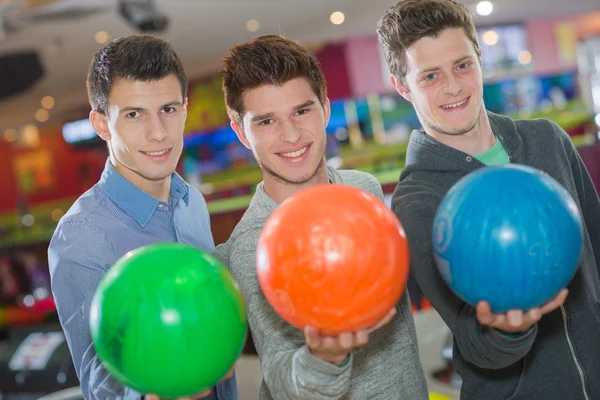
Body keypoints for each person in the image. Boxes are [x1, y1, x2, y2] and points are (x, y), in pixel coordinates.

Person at [377, 1, 600, 399]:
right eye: (430, 76)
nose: (453, 87)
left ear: (480, 57)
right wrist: (506, 329)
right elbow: (474, 342)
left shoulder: (546, 140)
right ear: (401, 86)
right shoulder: (417, 199)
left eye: (462, 65)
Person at [213, 34, 428, 400]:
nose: (291, 134)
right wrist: (324, 358)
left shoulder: (364, 190)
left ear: (325, 109)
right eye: (266, 121)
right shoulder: (254, 243)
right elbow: (283, 378)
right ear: (241, 133)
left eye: (301, 110)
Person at [48, 35, 237, 400]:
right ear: (101, 124)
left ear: (184, 108)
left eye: (168, 109)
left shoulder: (191, 201)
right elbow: (98, 379)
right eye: (134, 114)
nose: (158, 133)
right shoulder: (81, 234)